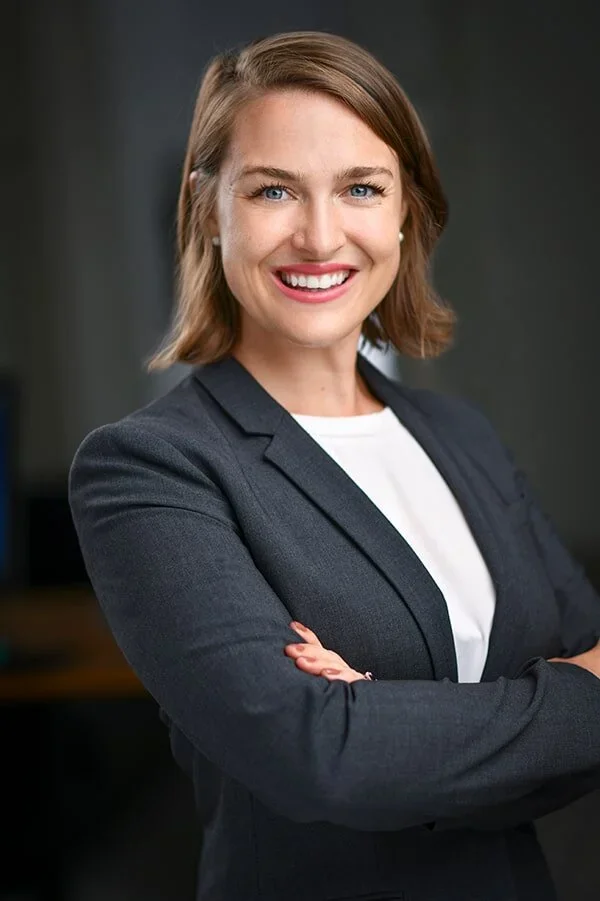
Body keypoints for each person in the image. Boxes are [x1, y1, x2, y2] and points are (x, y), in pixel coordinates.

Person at [68, 30, 600, 901]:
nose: (320, 237)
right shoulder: (151, 469)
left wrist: (388, 722)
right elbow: (321, 757)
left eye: (360, 188)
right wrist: (560, 699)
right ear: (209, 208)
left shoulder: (459, 434)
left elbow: (362, 751)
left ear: (403, 212)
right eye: (274, 189)